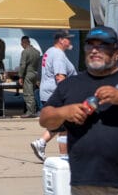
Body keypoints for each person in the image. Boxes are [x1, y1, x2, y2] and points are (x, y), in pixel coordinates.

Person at [39, 26, 118, 194]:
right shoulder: (71, 84)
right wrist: (64, 112)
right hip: (84, 183)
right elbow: (45, 119)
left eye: (102, 45)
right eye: (90, 45)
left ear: (116, 52)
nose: (95, 50)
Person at [31, 30, 78, 161]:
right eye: (68, 39)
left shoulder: (50, 51)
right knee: (65, 126)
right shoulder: (58, 55)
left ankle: (41, 142)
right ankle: (64, 157)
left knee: (60, 124)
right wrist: (68, 95)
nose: (70, 42)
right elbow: (60, 77)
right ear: (61, 40)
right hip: (57, 93)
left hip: (48, 92)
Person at [18, 36, 42, 118]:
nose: (21, 45)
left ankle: (30, 112)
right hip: (35, 73)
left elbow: (23, 65)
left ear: (24, 42)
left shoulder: (25, 52)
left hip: (28, 74)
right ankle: (34, 110)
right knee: (34, 92)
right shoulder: (37, 52)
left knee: (28, 93)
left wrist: (20, 76)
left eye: (22, 44)